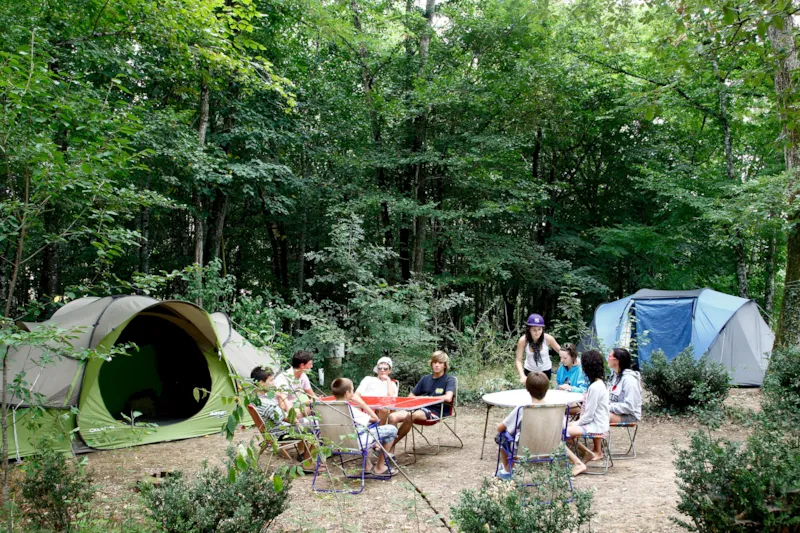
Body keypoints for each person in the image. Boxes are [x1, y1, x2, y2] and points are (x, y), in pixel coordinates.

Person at [250, 366, 321, 472]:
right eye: (271, 380)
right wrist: (282, 396)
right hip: (281, 432)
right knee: (319, 425)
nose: (274, 383)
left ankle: (303, 455)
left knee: (311, 420)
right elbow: (292, 419)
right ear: (261, 383)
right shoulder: (266, 403)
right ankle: (307, 464)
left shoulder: (255, 398)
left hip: (276, 430)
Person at [388, 351, 456, 454]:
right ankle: (390, 453)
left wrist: (429, 398)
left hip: (436, 411)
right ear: (431, 363)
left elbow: (448, 397)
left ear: (445, 365)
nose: (437, 365)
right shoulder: (425, 379)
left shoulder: (449, 379)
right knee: (392, 417)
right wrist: (422, 399)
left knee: (411, 416)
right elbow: (410, 396)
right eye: (434, 362)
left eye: (440, 362)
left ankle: (386, 447)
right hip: (419, 408)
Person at [330, 377, 398, 475]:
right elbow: (376, 419)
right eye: (352, 390)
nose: (353, 393)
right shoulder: (349, 409)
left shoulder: (326, 406)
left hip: (336, 442)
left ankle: (367, 465)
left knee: (360, 428)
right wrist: (362, 403)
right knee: (392, 430)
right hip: (356, 441)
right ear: (347, 393)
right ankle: (380, 467)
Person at [494, 371, 551, 479]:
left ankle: (507, 469)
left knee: (501, 436)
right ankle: (507, 467)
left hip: (525, 450)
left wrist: (499, 426)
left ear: (527, 389)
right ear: (547, 388)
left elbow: (501, 427)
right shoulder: (555, 407)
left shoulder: (523, 408)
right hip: (549, 449)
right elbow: (562, 429)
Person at [564, 349, 609, 476]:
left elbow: (589, 415)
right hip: (593, 422)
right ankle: (586, 453)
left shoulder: (596, 387)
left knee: (558, 434)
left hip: (595, 425)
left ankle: (578, 463)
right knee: (563, 428)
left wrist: (576, 424)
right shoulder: (597, 384)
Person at [591, 347, 642, 458]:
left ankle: (598, 451)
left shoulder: (629, 380)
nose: (607, 358)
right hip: (615, 410)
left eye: (609, 356)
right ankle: (596, 447)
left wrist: (608, 407)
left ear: (616, 360)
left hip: (629, 415)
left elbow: (630, 406)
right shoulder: (614, 375)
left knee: (598, 414)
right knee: (589, 411)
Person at [515, 313, 561, 383]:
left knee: (543, 392)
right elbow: (518, 360)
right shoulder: (523, 340)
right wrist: (522, 376)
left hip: (545, 371)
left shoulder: (548, 338)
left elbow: (561, 352)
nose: (537, 332)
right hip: (529, 371)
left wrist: (573, 358)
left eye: (539, 329)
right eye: (534, 330)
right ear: (529, 329)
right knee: (530, 392)